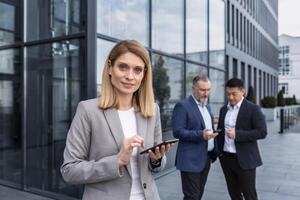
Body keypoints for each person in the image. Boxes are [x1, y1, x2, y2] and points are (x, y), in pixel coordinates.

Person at [61, 40, 171, 200]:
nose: (130, 76)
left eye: (138, 70)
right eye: (123, 67)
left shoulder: (152, 110)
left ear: (144, 75)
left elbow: (155, 167)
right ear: (110, 68)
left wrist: (156, 160)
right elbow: (69, 171)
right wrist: (117, 161)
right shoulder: (88, 110)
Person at [217, 78, 267, 200]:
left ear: (242, 91)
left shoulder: (253, 109)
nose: (231, 97)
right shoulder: (224, 109)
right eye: (228, 94)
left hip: (245, 160)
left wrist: (237, 134)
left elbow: (262, 132)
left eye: (234, 94)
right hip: (226, 159)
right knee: (234, 194)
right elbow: (220, 130)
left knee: (249, 195)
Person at [172, 75, 219, 200]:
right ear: (193, 88)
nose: (206, 93)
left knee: (198, 195)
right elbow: (177, 131)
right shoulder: (183, 106)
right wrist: (201, 135)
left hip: (206, 158)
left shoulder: (207, 106)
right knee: (192, 196)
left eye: (208, 90)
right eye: (202, 90)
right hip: (190, 160)